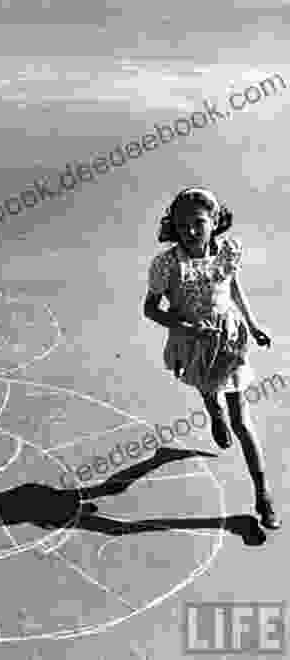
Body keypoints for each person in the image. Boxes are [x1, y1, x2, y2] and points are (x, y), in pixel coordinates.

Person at [143, 187, 279, 529]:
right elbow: (150, 308)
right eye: (182, 224)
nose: (190, 231)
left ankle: (263, 494)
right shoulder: (166, 264)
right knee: (206, 389)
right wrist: (186, 325)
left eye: (198, 223)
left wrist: (253, 323)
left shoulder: (227, 252)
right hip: (193, 342)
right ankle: (213, 411)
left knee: (242, 422)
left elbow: (234, 288)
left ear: (214, 222)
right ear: (173, 225)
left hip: (230, 342)